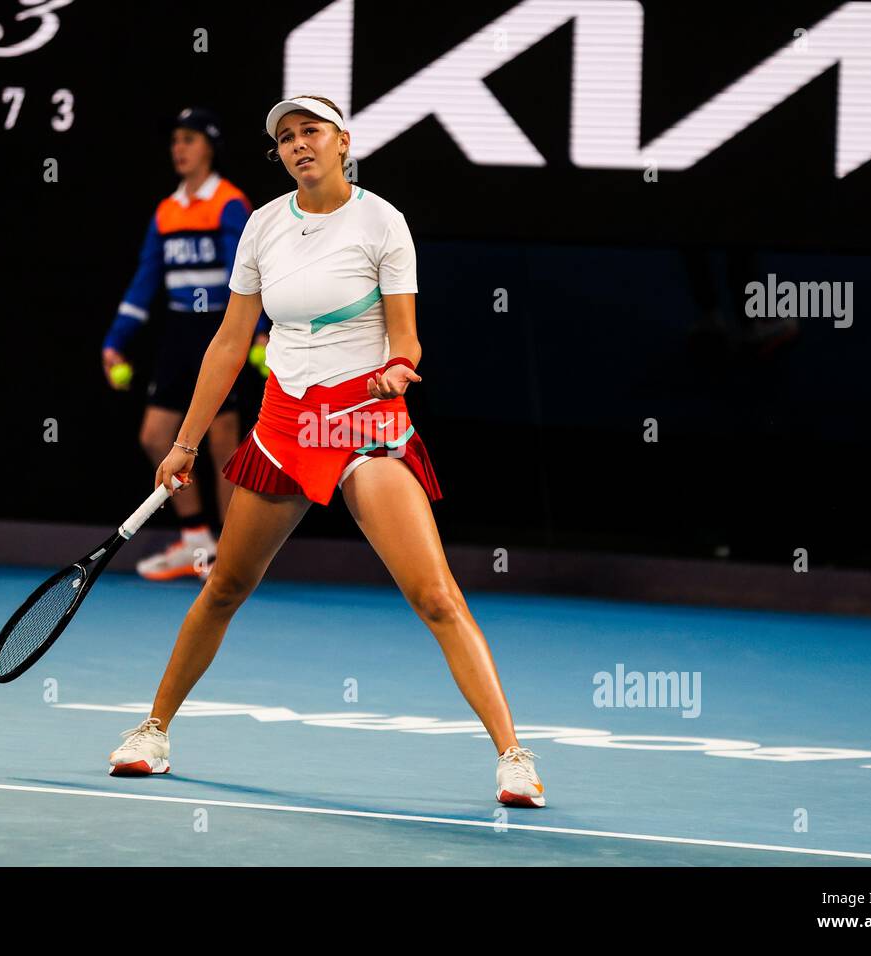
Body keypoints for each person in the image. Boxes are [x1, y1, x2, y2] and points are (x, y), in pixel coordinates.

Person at [106, 95, 546, 808]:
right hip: (284, 426)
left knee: (435, 595)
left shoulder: (383, 222)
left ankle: (514, 756)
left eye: (311, 131)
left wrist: (399, 366)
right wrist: (186, 441)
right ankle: (153, 730)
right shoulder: (262, 227)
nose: (298, 144)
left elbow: (406, 335)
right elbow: (228, 342)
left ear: (343, 141)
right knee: (224, 587)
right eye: (285, 137)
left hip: (363, 423)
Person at [102, 106, 270, 582]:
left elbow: (248, 272)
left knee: (221, 442)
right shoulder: (167, 210)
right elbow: (145, 278)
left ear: (209, 147)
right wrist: (117, 340)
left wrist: (256, 329)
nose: (179, 148)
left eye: (189, 140)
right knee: (156, 437)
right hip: (178, 332)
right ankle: (198, 542)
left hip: (221, 328)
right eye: (175, 140)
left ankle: (235, 557)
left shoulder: (230, 203)